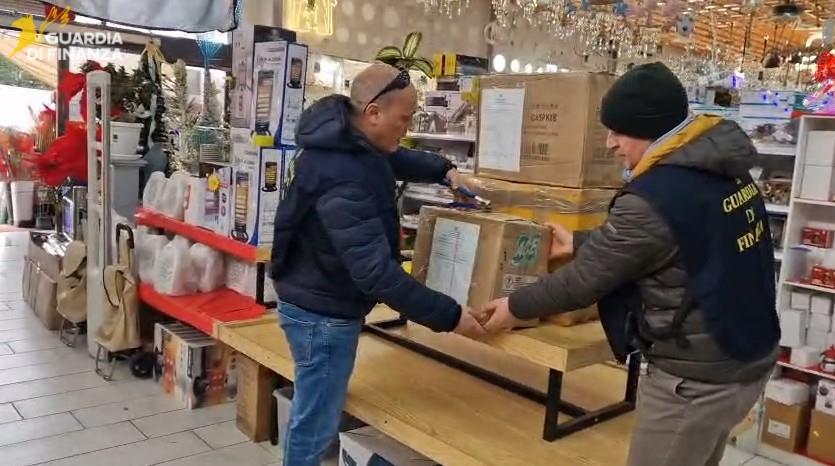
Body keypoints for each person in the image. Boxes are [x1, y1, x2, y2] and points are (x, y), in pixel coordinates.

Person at [481, 62, 780, 466]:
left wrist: (513, 306)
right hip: (745, 355)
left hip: (694, 379)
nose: (610, 144)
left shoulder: (656, 194)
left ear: (648, 130)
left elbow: (583, 283)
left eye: (618, 132)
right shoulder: (723, 167)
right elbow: (676, 239)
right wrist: (581, 243)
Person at [269, 63, 486, 466]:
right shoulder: (343, 178)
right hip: (322, 314)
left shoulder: (345, 142)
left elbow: (395, 159)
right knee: (315, 424)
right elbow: (377, 275)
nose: (408, 127)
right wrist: (452, 316)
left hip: (314, 293)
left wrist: (445, 171)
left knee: (315, 408)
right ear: (373, 113)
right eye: (404, 119)